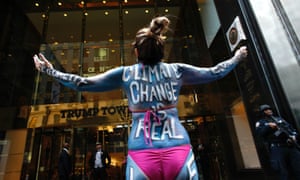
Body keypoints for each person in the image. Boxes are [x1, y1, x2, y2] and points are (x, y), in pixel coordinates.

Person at [33, 16, 247, 179]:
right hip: (179, 152)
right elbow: (216, 71)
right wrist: (237, 57)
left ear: (136, 52)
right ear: (161, 50)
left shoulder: (126, 74)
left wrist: (50, 71)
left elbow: (82, 83)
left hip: (142, 154)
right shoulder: (177, 71)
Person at [255, 104, 300, 180]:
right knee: (281, 171)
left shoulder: (280, 119)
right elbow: (259, 134)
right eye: (266, 110)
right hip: (277, 148)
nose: (269, 111)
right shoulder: (261, 123)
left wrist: (294, 136)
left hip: (290, 146)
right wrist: (268, 126)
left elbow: (291, 129)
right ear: (262, 112)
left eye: (269, 109)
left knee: (298, 167)